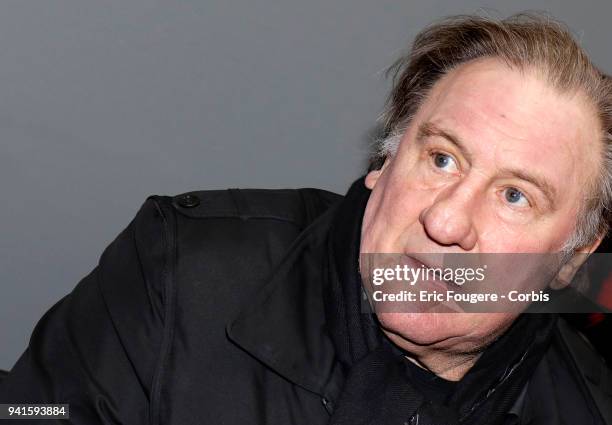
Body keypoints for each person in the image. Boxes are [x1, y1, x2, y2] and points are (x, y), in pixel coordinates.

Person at [1, 12, 611, 425]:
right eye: (443, 158)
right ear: (386, 160)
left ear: (572, 262)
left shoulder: (587, 403)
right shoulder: (181, 266)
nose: (448, 221)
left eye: (515, 196)